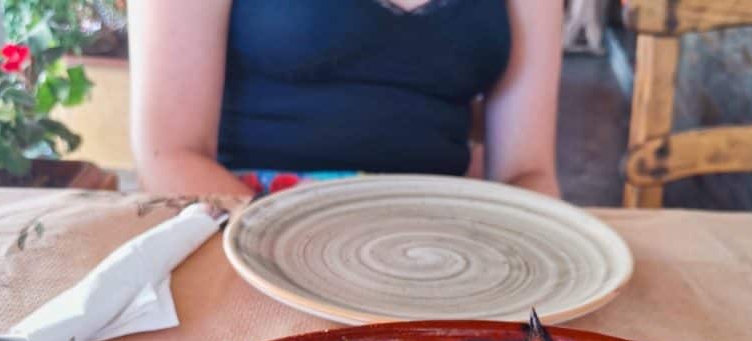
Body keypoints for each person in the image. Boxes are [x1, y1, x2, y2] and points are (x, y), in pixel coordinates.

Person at [129, 0, 562, 197]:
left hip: (434, 236)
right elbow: (170, 153)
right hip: (240, 220)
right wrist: (283, 248)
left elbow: (527, 172)